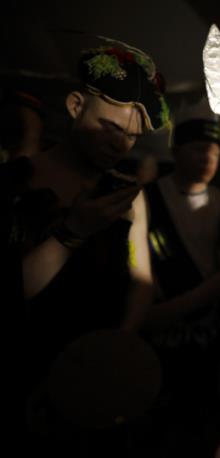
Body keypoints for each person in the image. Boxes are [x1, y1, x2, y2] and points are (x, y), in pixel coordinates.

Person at [0, 43, 170, 454]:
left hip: (95, 382)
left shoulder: (126, 196)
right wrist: (73, 231)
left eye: (131, 136)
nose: (120, 144)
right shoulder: (15, 183)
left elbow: (141, 280)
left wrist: (115, 349)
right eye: (110, 128)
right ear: (76, 105)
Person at [139, 116, 220, 456]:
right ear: (177, 151)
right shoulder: (148, 198)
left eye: (214, 153)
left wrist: (171, 311)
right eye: (198, 149)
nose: (207, 159)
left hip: (201, 332)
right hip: (153, 331)